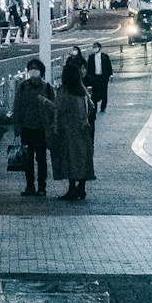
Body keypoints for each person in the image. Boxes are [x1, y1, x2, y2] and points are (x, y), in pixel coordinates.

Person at [52, 52, 96, 201]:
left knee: (70, 159)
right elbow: (91, 107)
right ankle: (81, 189)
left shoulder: (64, 91)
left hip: (69, 131)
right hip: (84, 130)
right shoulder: (82, 90)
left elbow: (58, 109)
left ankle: (72, 188)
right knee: (83, 159)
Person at [12, 57, 55, 196]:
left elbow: (54, 107)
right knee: (27, 159)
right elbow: (17, 108)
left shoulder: (47, 88)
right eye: (31, 70)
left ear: (41, 72)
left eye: (36, 70)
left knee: (41, 159)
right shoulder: (23, 86)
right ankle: (29, 185)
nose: (33, 72)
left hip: (42, 130)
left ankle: (42, 187)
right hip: (26, 129)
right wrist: (17, 127)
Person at [87, 44, 112, 117]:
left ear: (99, 48)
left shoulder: (105, 57)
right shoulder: (91, 57)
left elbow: (109, 66)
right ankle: (95, 107)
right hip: (94, 77)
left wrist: (110, 75)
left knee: (104, 92)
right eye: (94, 47)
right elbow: (89, 68)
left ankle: (103, 107)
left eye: (96, 47)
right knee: (94, 92)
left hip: (103, 77)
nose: (95, 49)